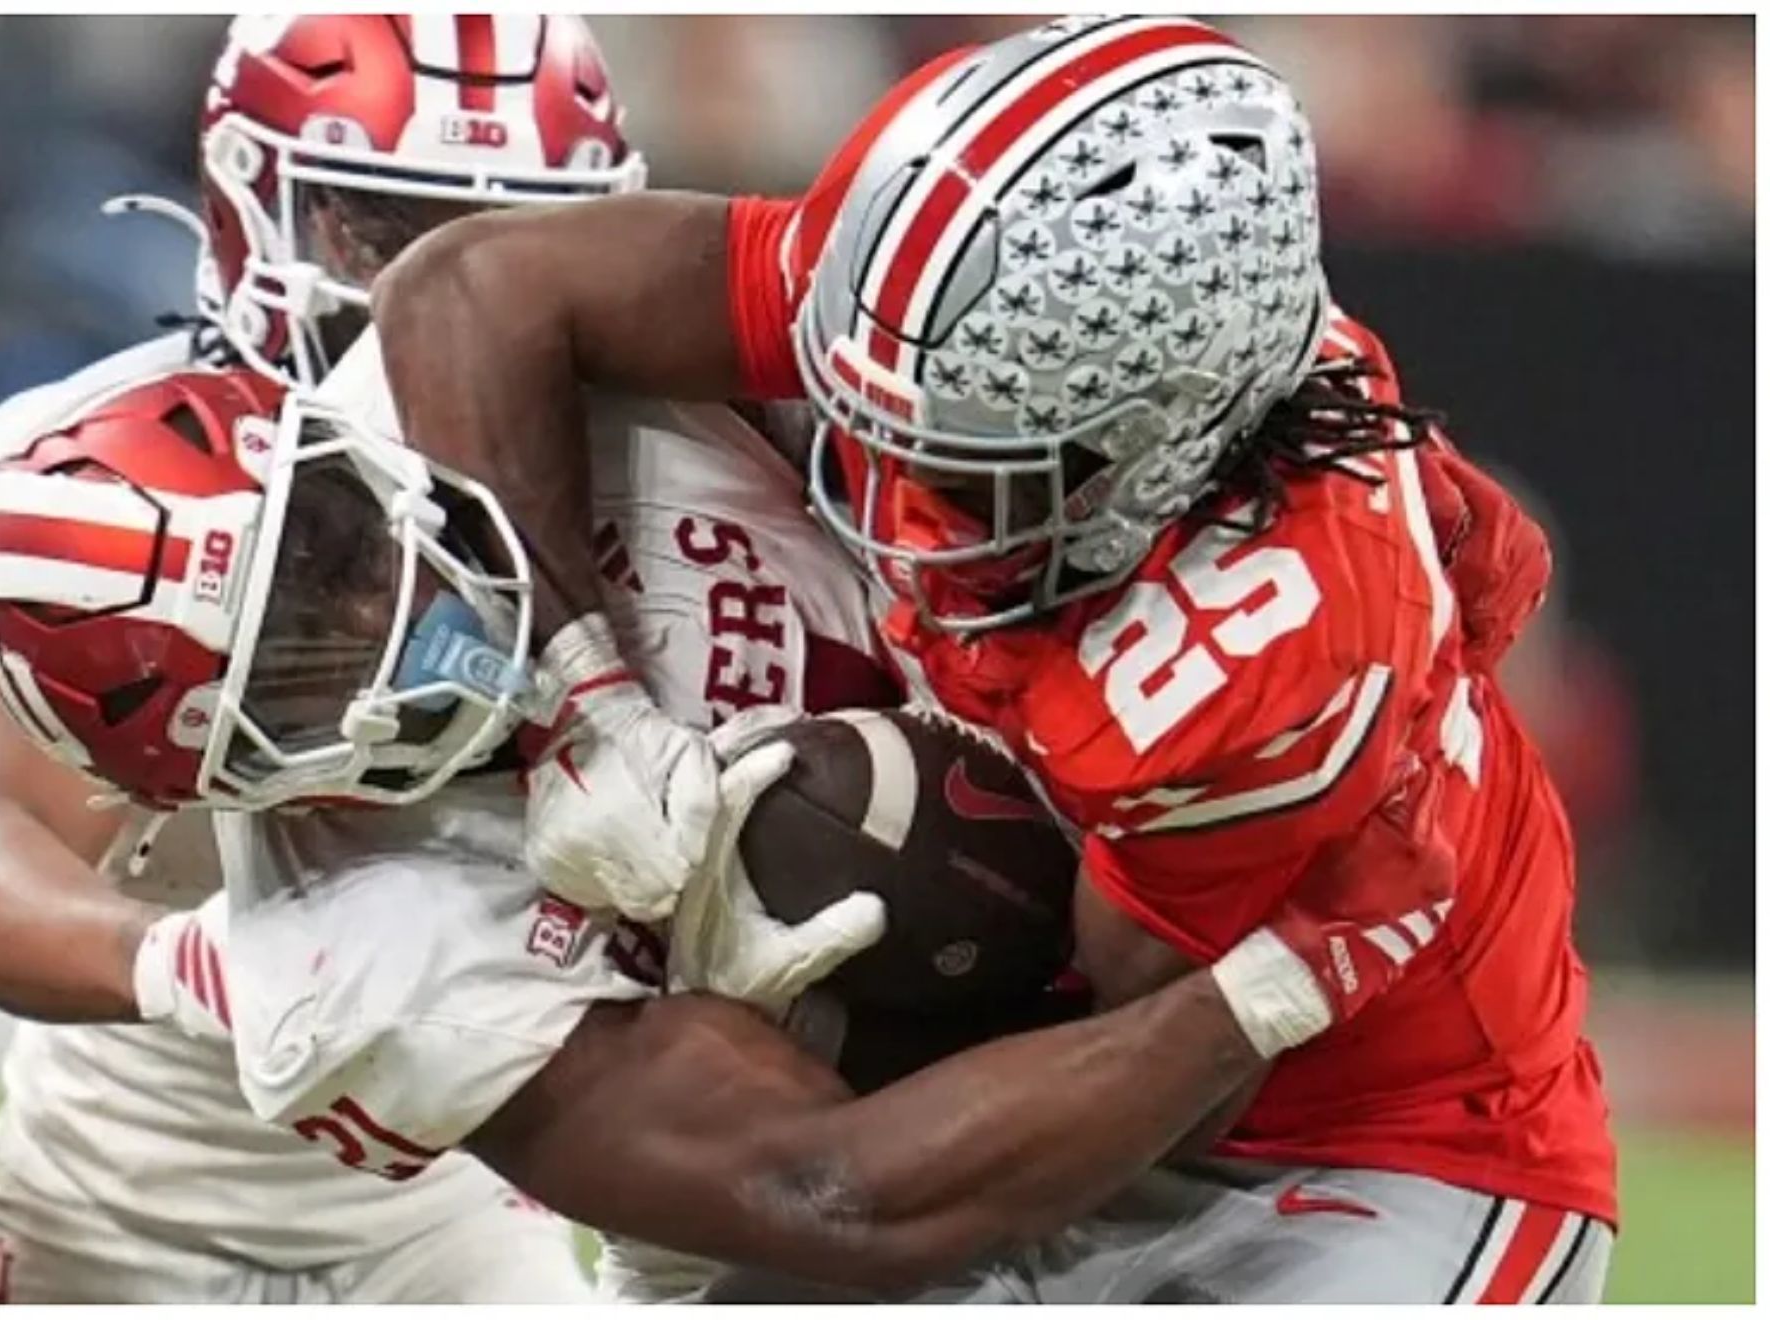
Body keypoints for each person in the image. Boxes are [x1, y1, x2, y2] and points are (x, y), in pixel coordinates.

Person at [367, 14, 1615, 1301]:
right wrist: (583, 694)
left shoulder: (1258, 657)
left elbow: (1118, 1064)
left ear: (1160, 445)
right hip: (1087, 1075)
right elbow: (468, 289)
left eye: (965, 469)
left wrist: (762, 997)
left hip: (1374, 1143)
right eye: (881, 428)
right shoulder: (959, 300)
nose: (896, 500)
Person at [0, 354, 1456, 1301]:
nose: (376, 616)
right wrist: (1267, 982)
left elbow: (528, 282)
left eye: (333, 542)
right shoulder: (369, 967)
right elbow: (839, 1196)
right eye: (294, 662)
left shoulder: (461, 361)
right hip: (868, 1213)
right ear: (211, 779)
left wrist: (586, 693)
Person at [0, 14, 641, 1302]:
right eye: (390, 226)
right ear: (252, 200)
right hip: (113, 1198)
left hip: (454, 1210)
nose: (458, 284)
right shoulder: (173, 466)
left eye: (510, 233)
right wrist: (195, 969)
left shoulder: (648, 473)